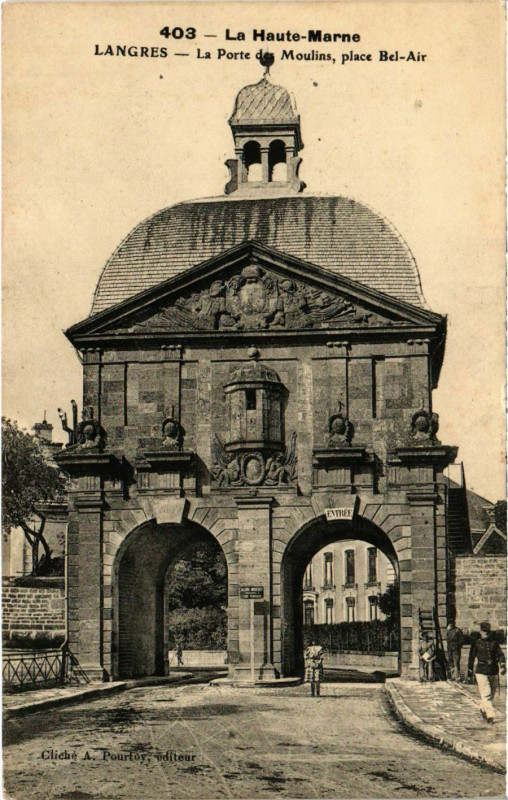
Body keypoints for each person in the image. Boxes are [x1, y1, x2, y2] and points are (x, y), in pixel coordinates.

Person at [468, 621, 506, 723]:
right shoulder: (477, 643)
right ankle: (490, 716)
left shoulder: (494, 643)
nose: (486, 634)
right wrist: (469, 670)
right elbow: (471, 657)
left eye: (487, 632)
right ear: (480, 631)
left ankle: (482, 708)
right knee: (486, 693)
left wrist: (502, 665)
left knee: (492, 693)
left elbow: (500, 655)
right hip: (481, 671)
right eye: (484, 631)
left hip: (493, 670)